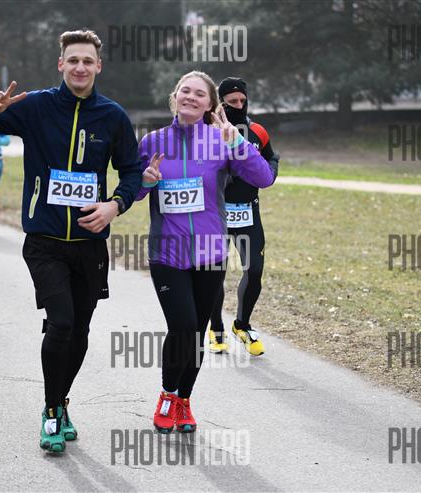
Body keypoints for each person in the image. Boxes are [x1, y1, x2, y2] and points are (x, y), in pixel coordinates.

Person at [0, 29, 141, 454]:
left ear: (98, 66)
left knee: (80, 329)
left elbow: (132, 170)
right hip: (44, 240)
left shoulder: (112, 116)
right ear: (61, 64)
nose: (80, 67)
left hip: (90, 243)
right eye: (72, 60)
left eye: (87, 61)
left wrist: (115, 205)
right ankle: (50, 411)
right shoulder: (37, 106)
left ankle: (61, 402)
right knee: (61, 322)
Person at [136, 71, 275, 434]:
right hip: (167, 253)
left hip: (210, 253)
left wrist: (237, 142)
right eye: (185, 91)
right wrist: (144, 182)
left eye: (200, 94)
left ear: (211, 105)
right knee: (182, 327)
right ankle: (167, 395)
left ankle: (184, 400)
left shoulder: (222, 141)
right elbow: (132, 191)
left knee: (197, 331)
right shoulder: (153, 141)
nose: (191, 97)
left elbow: (264, 177)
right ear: (175, 97)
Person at [208, 77, 280, 356]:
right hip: (217, 213)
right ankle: (216, 329)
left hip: (249, 211)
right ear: (221, 102)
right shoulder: (209, 131)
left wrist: (271, 172)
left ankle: (242, 324)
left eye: (242, 100)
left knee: (255, 270)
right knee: (215, 273)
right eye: (232, 101)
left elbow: (272, 157)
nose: (239, 105)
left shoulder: (257, 130)